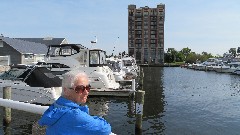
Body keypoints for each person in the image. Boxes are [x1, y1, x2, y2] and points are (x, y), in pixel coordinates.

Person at [38, 70, 112, 135]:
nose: (86, 92)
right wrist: (91, 118)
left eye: (88, 87)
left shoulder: (56, 106)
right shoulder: (74, 115)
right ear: (66, 90)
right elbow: (105, 129)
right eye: (80, 89)